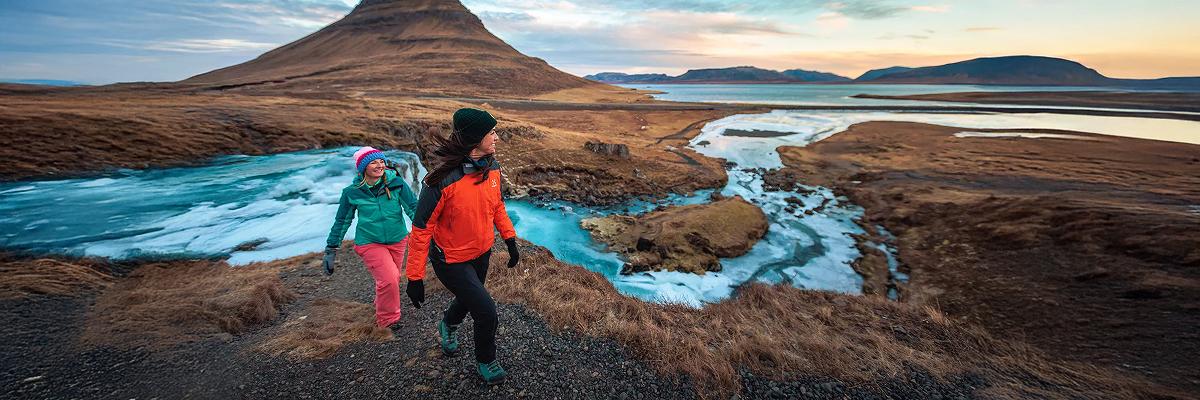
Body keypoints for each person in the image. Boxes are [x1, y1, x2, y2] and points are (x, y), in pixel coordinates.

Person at [405, 108, 521, 384]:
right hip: (450, 260)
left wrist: (510, 239)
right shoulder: (440, 180)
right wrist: (414, 277)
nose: (496, 137)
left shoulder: (492, 168)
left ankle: (447, 324)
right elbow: (421, 231)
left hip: (481, 252)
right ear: (474, 138)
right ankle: (487, 360)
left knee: (470, 300)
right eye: (491, 132)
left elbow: (497, 206)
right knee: (487, 312)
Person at [323, 146, 418, 331]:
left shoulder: (396, 183)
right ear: (363, 167)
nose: (379, 165)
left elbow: (413, 208)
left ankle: (382, 304)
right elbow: (342, 221)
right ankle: (387, 320)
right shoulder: (352, 192)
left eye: (381, 161)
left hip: (398, 239)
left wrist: (429, 233)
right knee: (389, 279)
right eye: (374, 162)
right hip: (369, 242)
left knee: (391, 278)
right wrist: (331, 248)